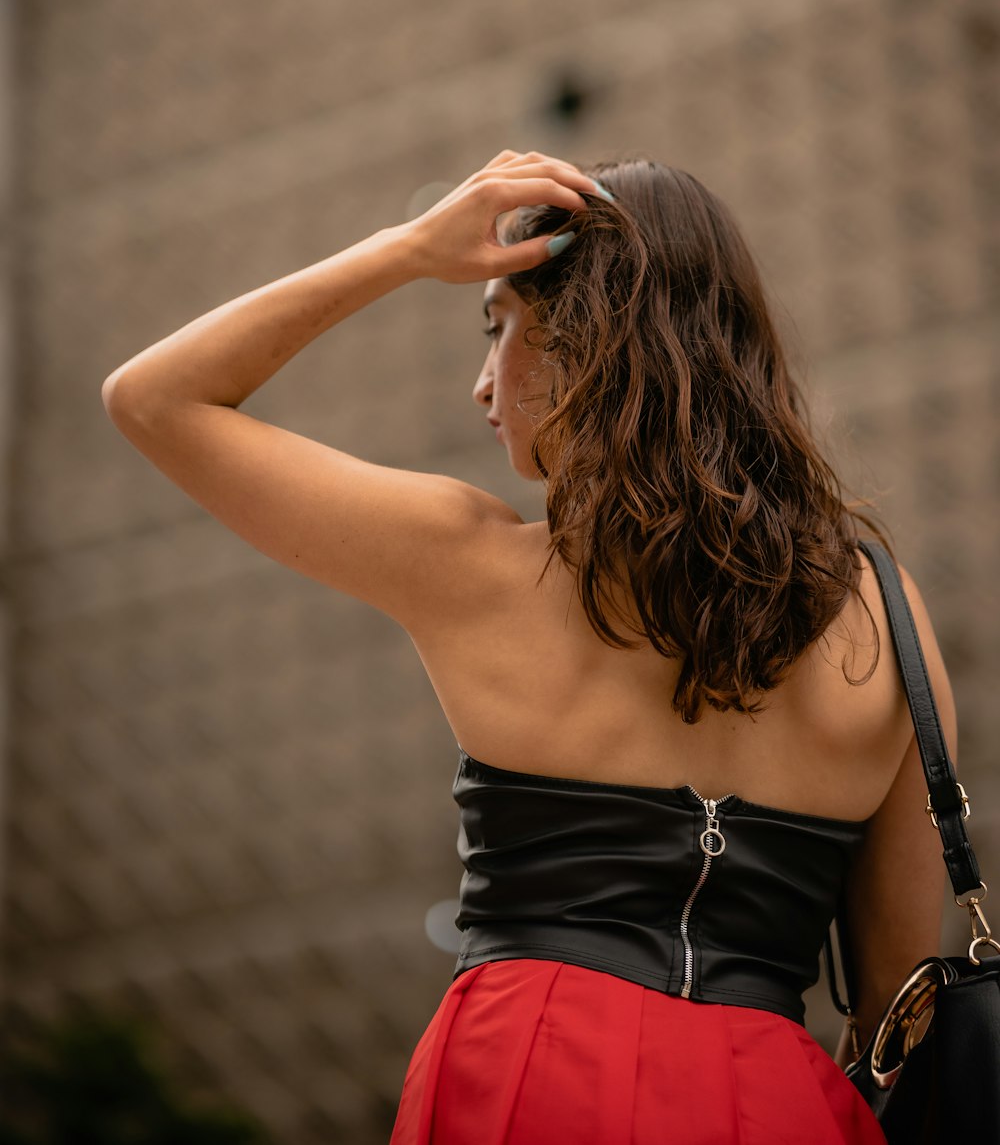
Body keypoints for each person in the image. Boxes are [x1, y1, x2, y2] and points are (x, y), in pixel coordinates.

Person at [102, 149, 956, 1144]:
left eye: (499, 328)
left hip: (530, 1070)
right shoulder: (881, 613)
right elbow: (895, 993)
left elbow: (154, 400)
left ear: (586, 348)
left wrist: (410, 250)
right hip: (781, 1103)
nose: (481, 386)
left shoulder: (470, 568)